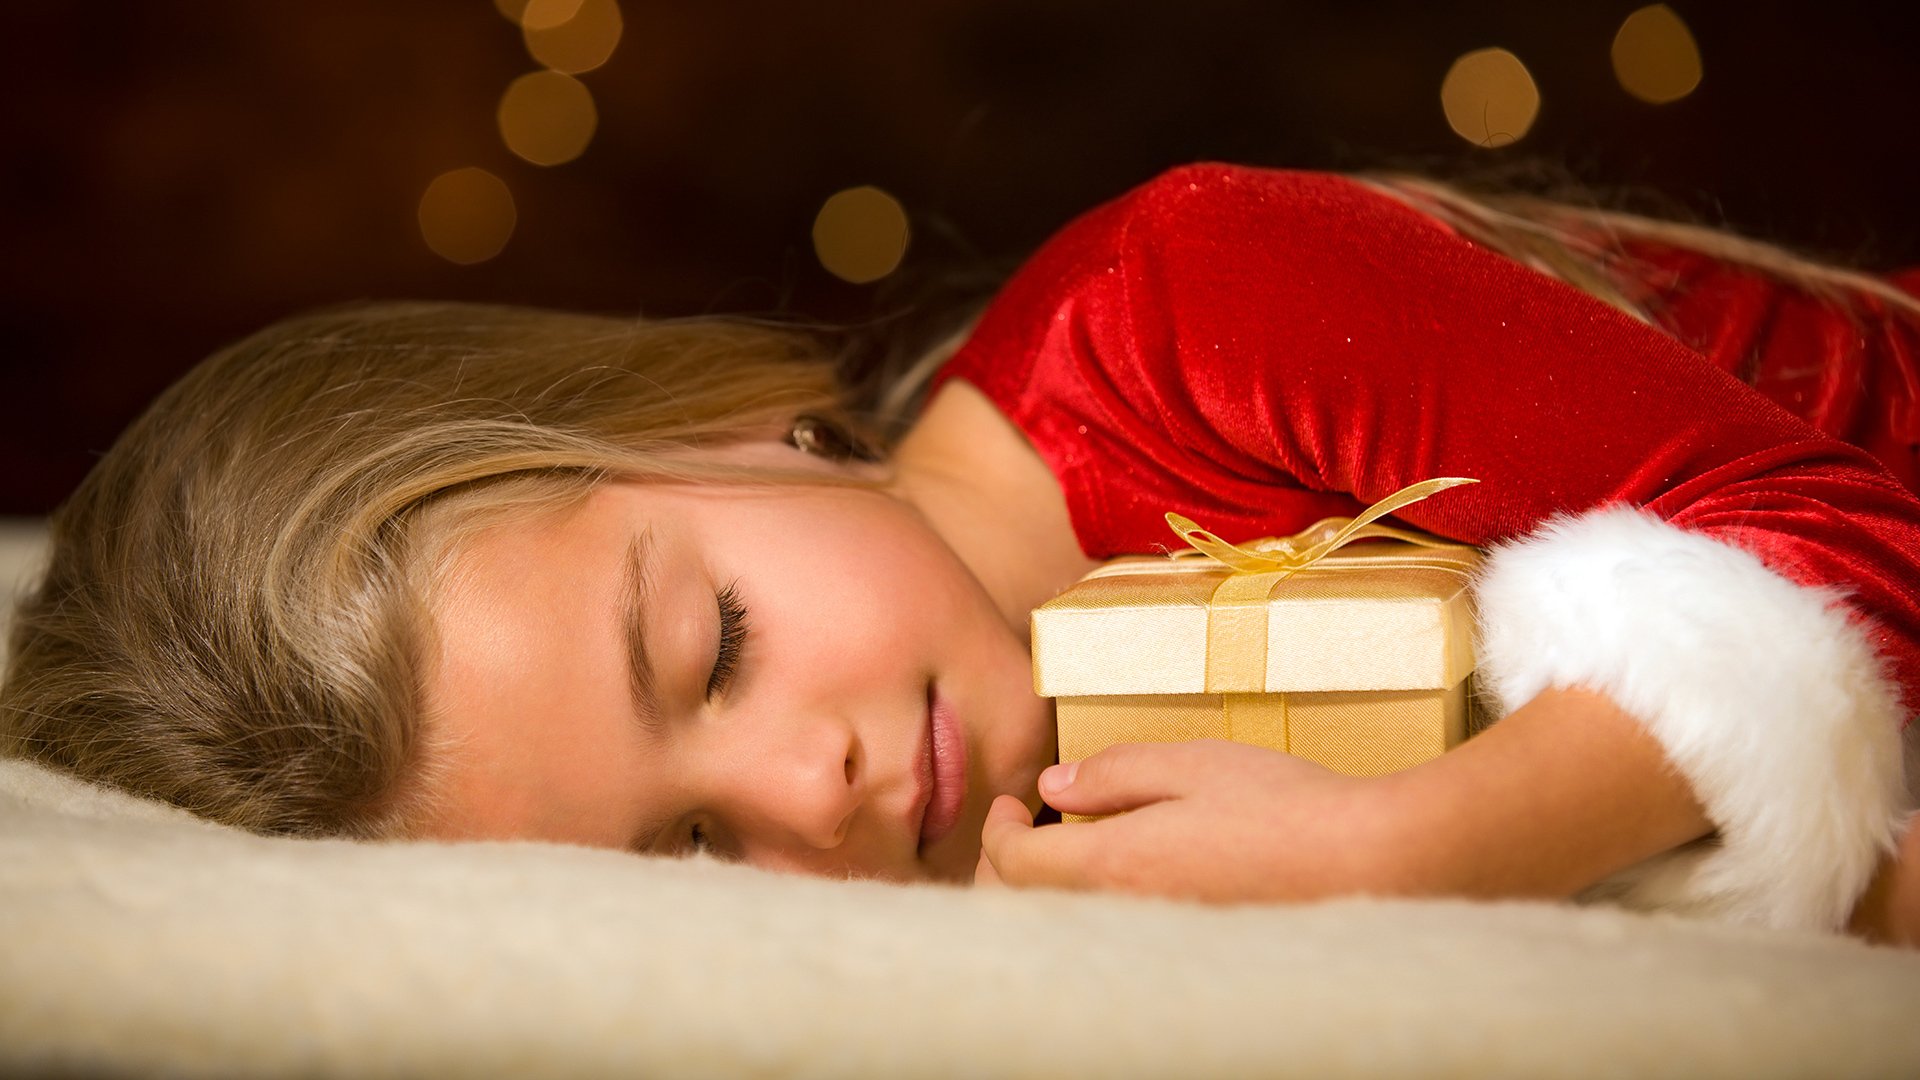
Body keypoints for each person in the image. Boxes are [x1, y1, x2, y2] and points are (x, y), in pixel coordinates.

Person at [4, 164, 1918, 946]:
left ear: (717, 425)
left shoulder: (1190, 303)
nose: (807, 794)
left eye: (717, 648)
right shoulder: (1045, 869)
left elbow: (1856, 538)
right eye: (688, 847)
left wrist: (1414, 850)